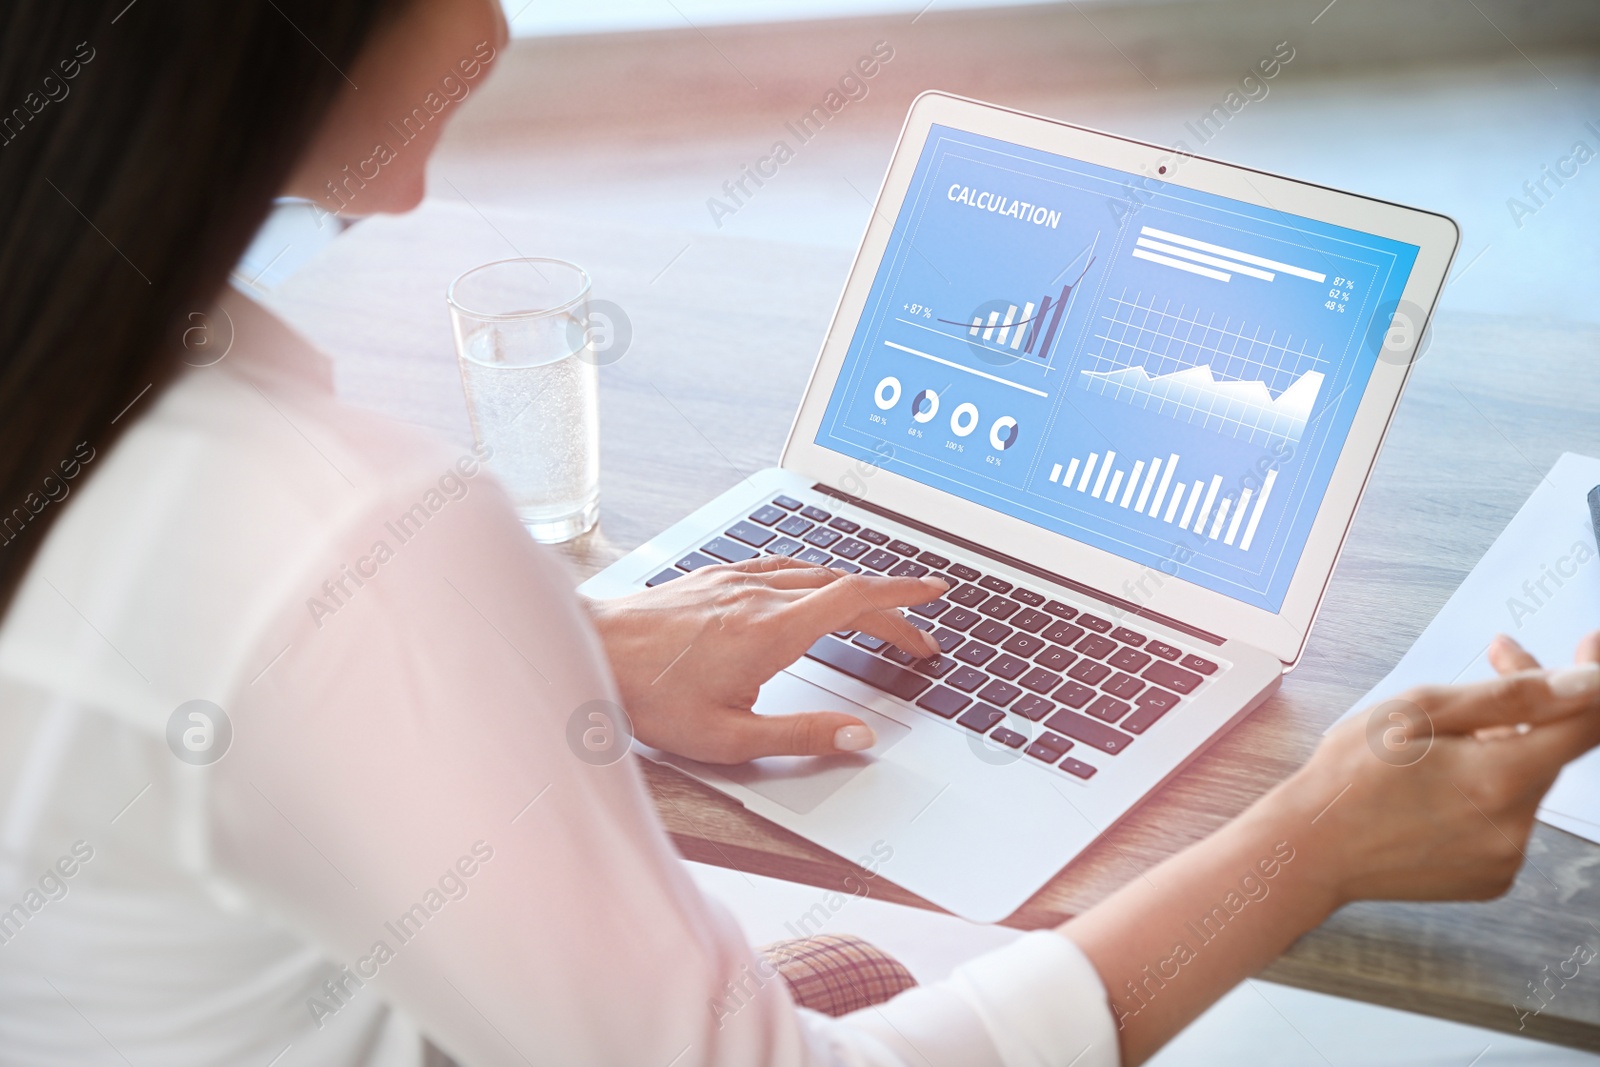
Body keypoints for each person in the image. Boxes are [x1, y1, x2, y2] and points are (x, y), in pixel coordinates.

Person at [0, 1, 1595, 1064]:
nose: (494, 24)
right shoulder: (350, 534)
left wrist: (562, 656)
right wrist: (1309, 847)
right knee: (874, 970)